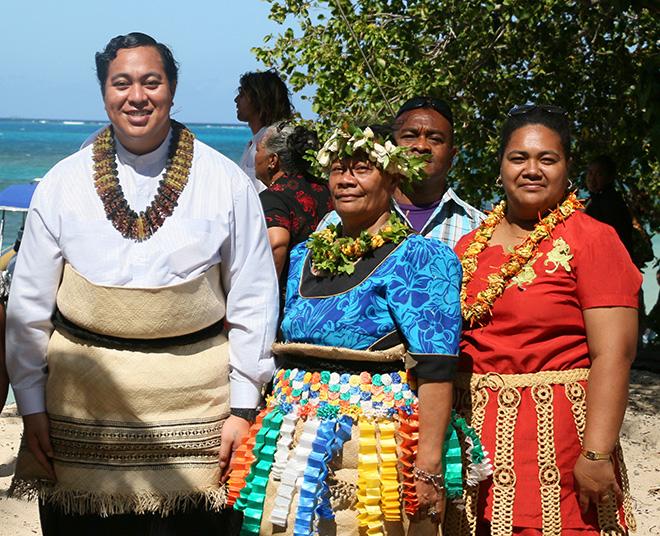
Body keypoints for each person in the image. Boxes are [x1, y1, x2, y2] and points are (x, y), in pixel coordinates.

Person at [6, 32, 278, 534]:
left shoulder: (226, 182)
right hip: (78, 413)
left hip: (199, 415)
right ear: (104, 92)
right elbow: (29, 304)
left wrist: (243, 406)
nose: (137, 96)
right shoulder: (62, 183)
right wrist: (31, 403)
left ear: (172, 90)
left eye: (151, 82)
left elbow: (254, 296)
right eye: (122, 83)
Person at [227, 124, 490, 535]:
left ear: (392, 177)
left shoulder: (421, 259)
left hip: (372, 456)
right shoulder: (302, 256)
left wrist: (428, 466)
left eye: (363, 168)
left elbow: (437, 368)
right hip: (290, 444)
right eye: (338, 169)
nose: (346, 180)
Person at [447, 105, 641, 535]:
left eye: (546, 159)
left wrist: (595, 454)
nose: (531, 170)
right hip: (471, 444)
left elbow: (614, 355)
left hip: (556, 444)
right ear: (500, 167)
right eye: (519, 158)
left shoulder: (592, 239)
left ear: (566, 168)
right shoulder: (467, 245)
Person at [318, 96, 483, 247]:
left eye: (435, 139)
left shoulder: (479, 228)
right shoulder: (336, 223)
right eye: (410, 136)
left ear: (451, 157)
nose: (421, 146)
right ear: (388, 151)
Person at [256, 121, 332, 291]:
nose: (255, 157)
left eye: (258, 150)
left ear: (272, 160)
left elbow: (276, 243)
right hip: (326, 287)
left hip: (293, 293)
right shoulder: (326, 188)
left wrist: (264, 294)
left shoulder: (273, 197)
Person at [235, 70, 294, 193]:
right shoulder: (256, 141)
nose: (236, 100)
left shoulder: (268, 143)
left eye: (242, 95)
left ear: (258, 99)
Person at [585, 155, 634, 258]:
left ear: (609, 177)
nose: (591, 178)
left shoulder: (611, 202)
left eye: (599, 174)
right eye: (590, 173)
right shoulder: (595, 199)